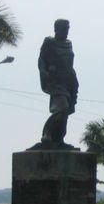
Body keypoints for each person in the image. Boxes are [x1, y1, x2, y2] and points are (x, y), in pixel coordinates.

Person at [32, 18, 79, 150]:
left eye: (68, 28)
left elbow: (70, 64)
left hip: (69, 81)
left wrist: (74, 82)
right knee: (61, 108)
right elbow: (41, 61)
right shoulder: (49, 43)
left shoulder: (69, 44)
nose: (66, 31)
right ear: (56, 29)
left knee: (67, 111)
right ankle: (46, 134)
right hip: (55, 81)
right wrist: (45, 72)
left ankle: (59, 139)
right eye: (64, 28)